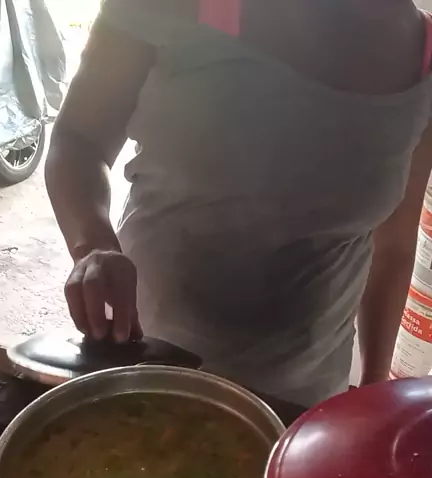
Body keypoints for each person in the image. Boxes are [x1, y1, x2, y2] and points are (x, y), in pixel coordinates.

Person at [45, 0, 432, 407]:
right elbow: (79, 139)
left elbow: (393, 245)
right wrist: (93, 244)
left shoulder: (424, 59)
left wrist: (372, 384)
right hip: (145, 366)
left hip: (304, 403)